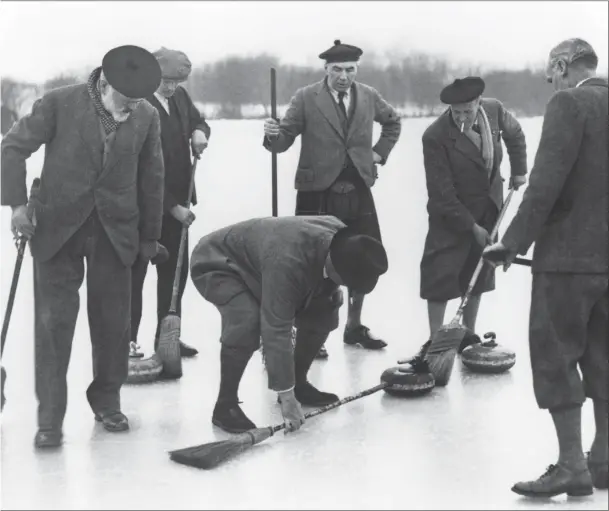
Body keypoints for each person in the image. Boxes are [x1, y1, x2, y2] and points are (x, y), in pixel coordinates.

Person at [1, 45, 166, 448]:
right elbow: (11, 148)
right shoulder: (59, 103)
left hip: (117, 232)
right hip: (57, 228)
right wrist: (19, 204)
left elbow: (152, 177)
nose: (131, 109)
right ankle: (50, 419)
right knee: (53, 326)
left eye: (138, 101)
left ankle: (107, 399)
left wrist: (149, 238)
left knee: (114, 325)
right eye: (126, 101)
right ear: (105, 83)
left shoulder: (146, 114)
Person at [483, 38, 608, 497]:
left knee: (557, 356)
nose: (548, 81)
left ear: (563, 65)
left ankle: (574, 465)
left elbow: (545, 184)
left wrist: (511, 243)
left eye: (550, 72)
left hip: (568, 262)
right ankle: (604, 459)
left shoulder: (569, 104)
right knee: (605, 356)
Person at [262, 40, 401, 359]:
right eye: (337, 69)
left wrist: (379, 153)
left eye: (350, 69)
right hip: (316, 190)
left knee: (364, 256)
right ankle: (314, 329)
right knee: (313, 261)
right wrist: (272, 133)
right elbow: (282, 142)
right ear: (325, 69)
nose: (343, 76)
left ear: (357, 69)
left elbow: (392, 122)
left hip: (358, 186)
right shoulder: (305, 97)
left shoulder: (368, 95)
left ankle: (354, 326)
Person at [190, 216, 388, 433]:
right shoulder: (287, 262)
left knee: (326, 304)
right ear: (334, 266)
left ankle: (299, 382)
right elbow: (276, 329)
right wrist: (287, 398)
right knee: (248, 319)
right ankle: (225, 405)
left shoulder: (343, 241)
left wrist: (292, 388)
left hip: (263, 261)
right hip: (219, 261)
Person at [401, 76, 527, 365]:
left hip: (488, 205)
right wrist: (471, 227)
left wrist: (519, 170)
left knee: (478, 269)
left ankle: (469, 334)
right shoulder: (435, 136)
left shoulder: (495, 111)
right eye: (455, 112)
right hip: (450, 213)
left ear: (478, 103)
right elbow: (441, 192)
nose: (461, 118)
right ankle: (436, 341)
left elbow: (515, 134)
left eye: (467, 112)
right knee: (440, 273)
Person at [130, 47, 211, 362]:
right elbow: (138, 170)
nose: (172, 87)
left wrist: (199, 133)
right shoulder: (137, 104)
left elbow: (199, 121)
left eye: (178, 81)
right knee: (135, 275)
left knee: (174, 275)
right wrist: (172, 207)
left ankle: (167, 338)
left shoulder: (179, 99)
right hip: (143, 209)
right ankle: (129, 341)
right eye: (167, 80)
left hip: (178, 202)